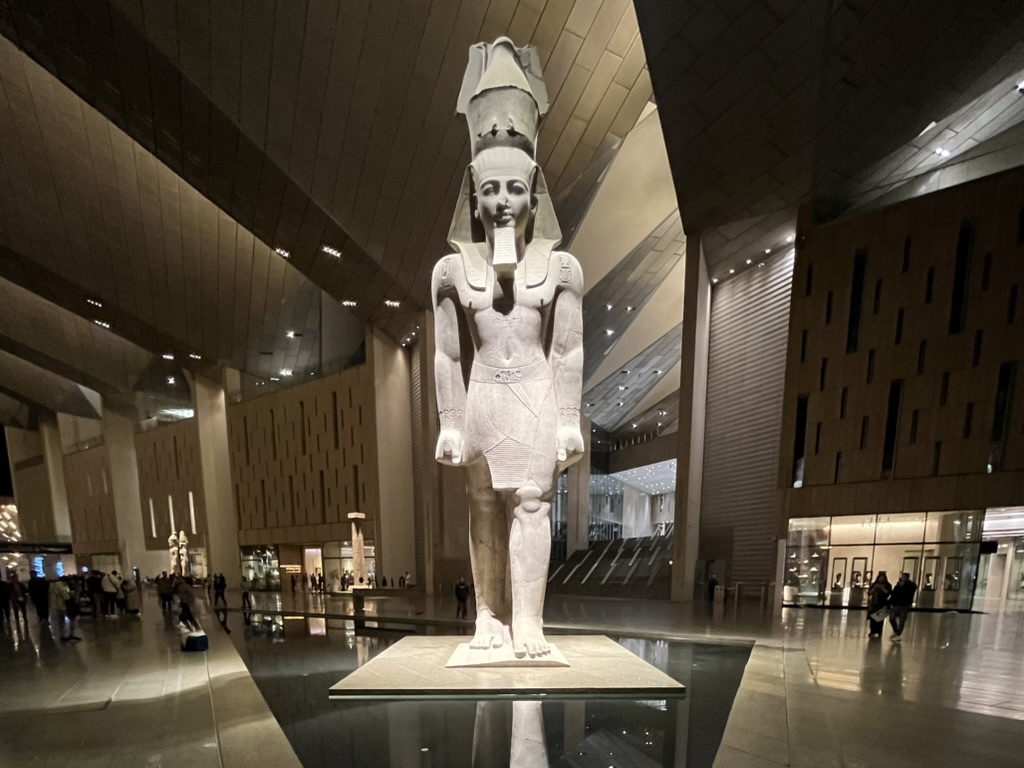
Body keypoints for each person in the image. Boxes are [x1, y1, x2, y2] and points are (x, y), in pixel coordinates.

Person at [432, 40, 585, 658]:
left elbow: (568, 352)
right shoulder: (450, 271)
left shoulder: (563, 268)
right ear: (473, 195)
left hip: (537, 395)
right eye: (490, 189)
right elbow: (446, 356)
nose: (501, 202)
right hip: (483, 397)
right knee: (482, 506)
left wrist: (571, 422)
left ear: (533, 195)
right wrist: (446, 423)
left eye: (513, 191)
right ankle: (488, 618)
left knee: (531, 503)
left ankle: (530, 622)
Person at [888, 572, 918, 642]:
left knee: (902, 621)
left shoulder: (912, 585)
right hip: (896, 604)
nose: (903, 578)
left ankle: (898, 634)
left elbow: (910, 593)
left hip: (904, 605)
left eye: (905, 577)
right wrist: (889, 603)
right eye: (903, 577)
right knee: (891, 618)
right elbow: (894, 594)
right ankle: (896, 630)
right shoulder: (898, 585)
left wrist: (903, 586)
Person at [867, 571, 892, 638]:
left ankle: (879, 632)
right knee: (872, 618)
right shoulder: (874, 584)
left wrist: (882, 588)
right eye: (880, 578)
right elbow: (869, 592)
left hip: (882, 604)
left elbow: (888, 593)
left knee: (880, 619)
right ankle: (872, 631)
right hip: (874, 604)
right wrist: (875, 588)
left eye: (882, 578)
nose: (881, 579)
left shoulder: (888, 585)